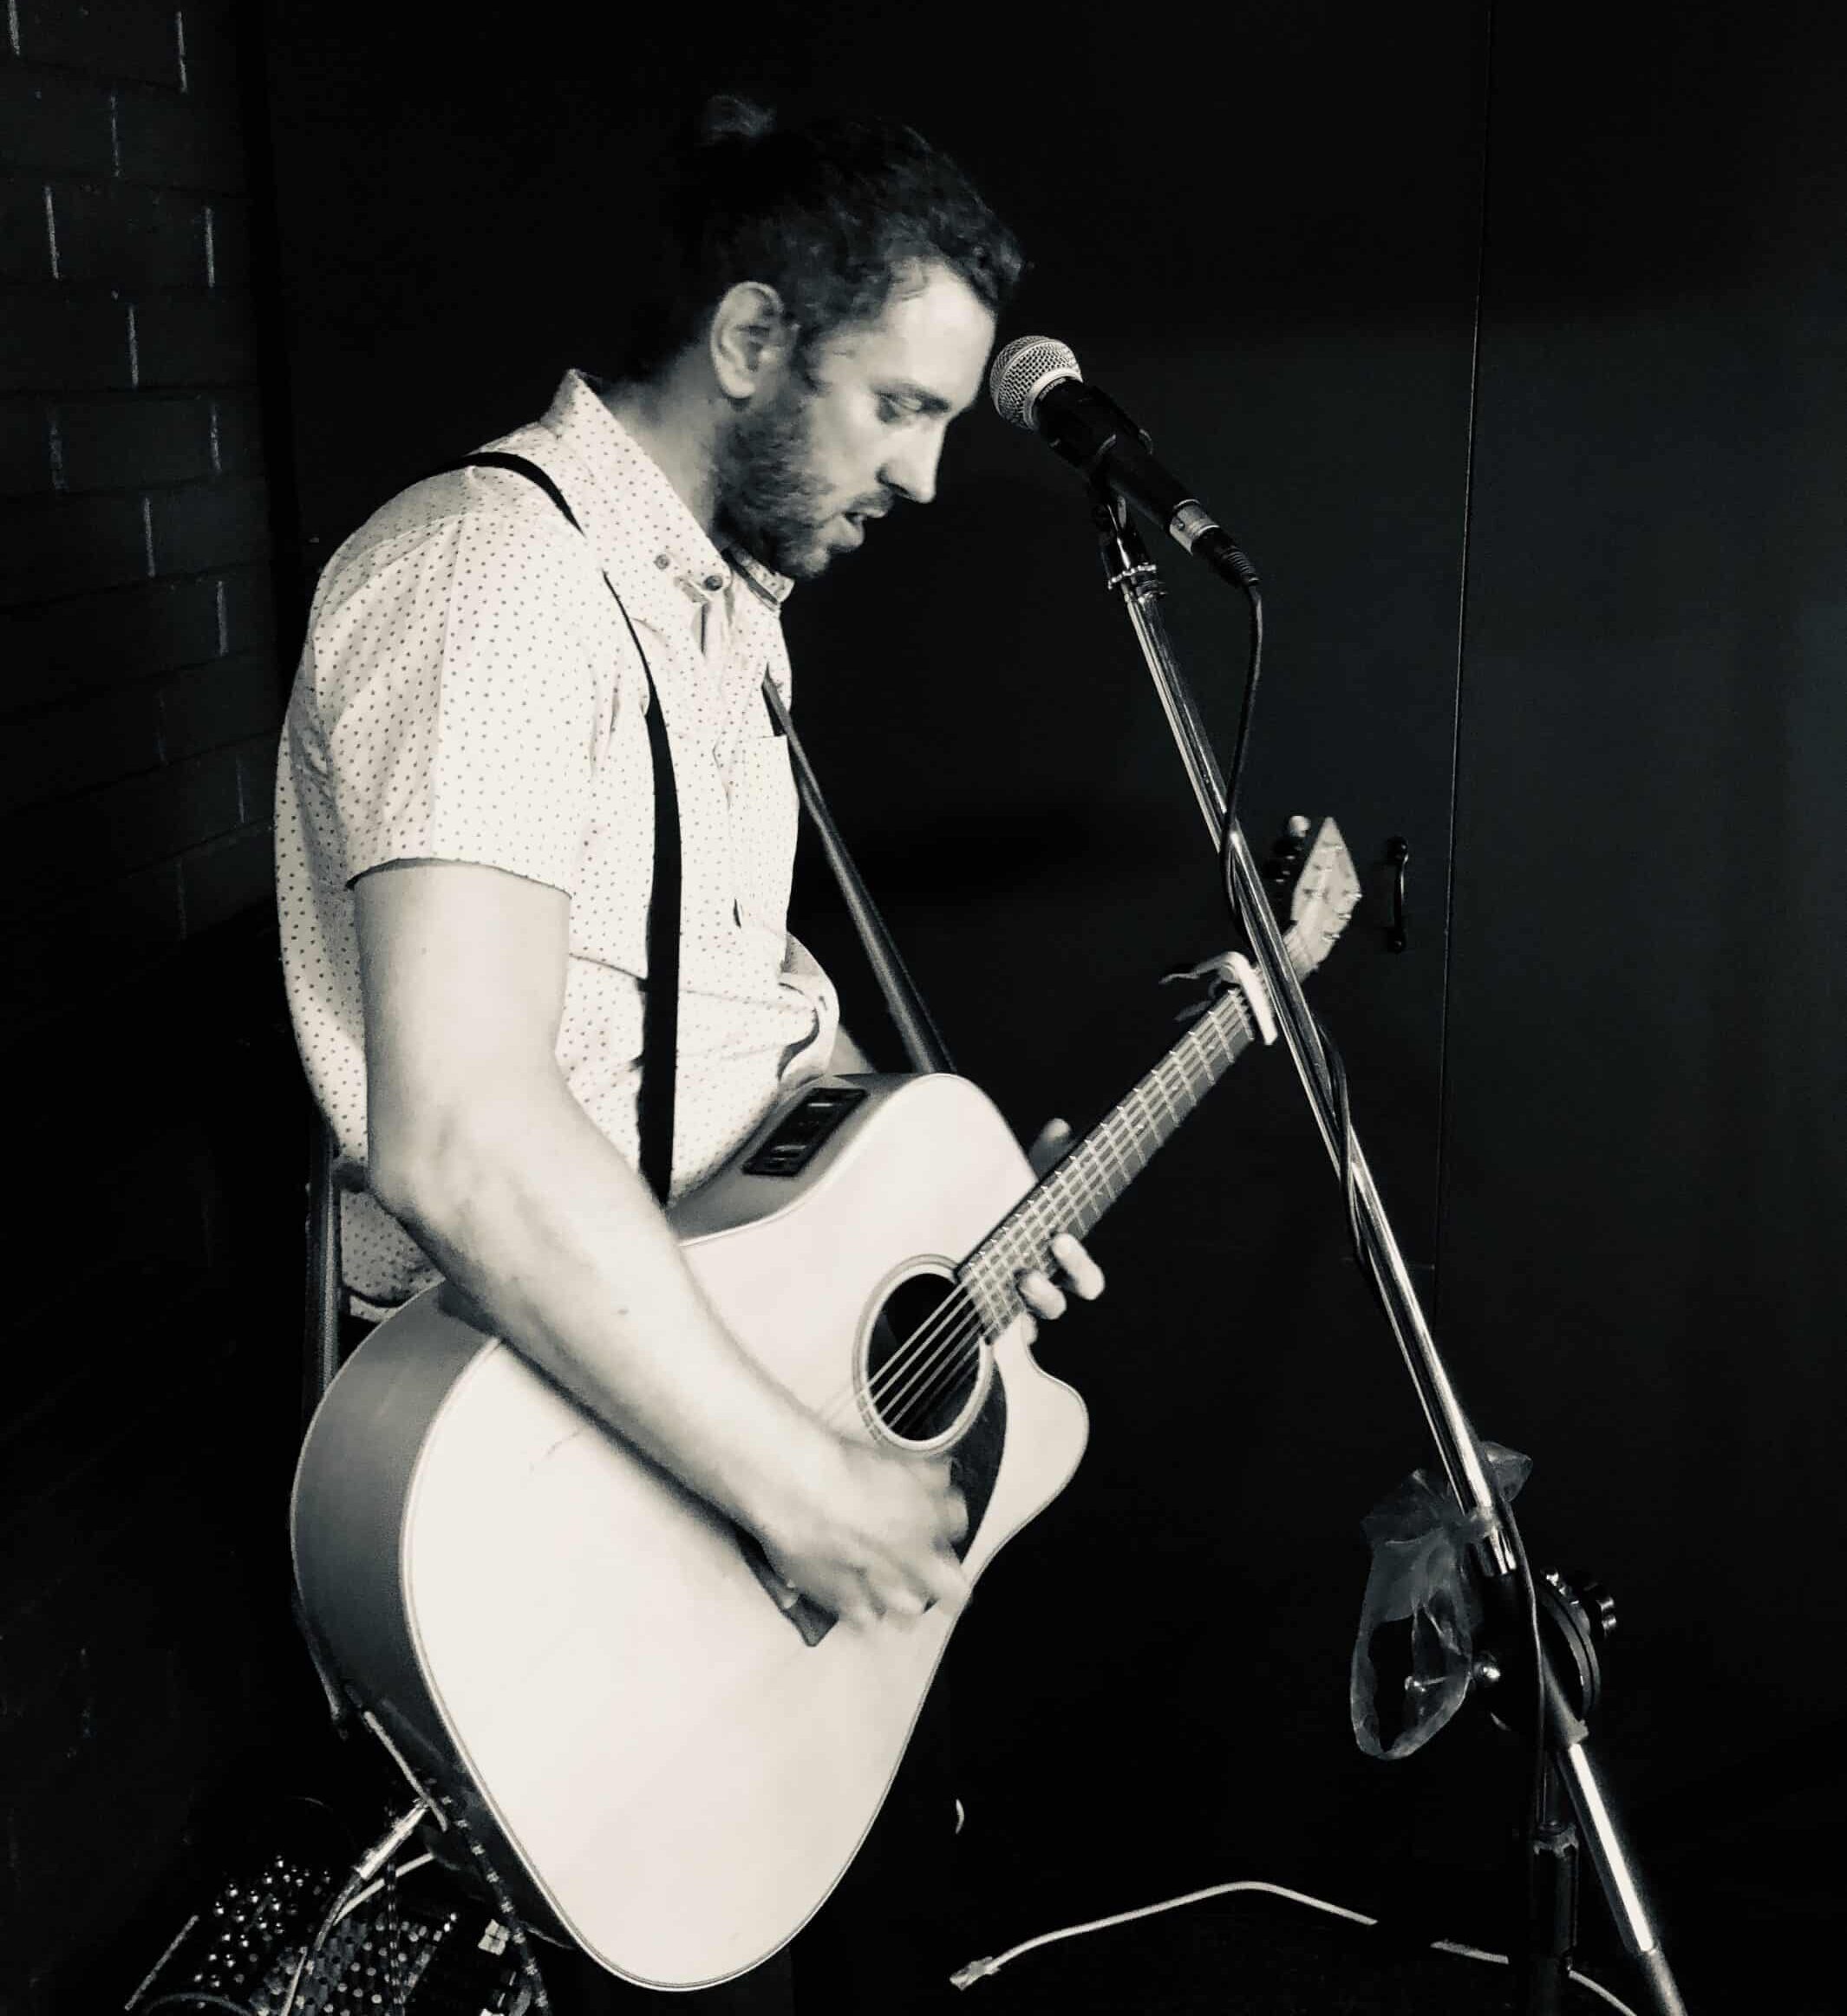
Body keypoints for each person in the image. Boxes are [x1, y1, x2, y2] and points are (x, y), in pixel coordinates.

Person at [275, 95, 1103, 2010]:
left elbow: (729, 1046)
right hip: (569, 1454)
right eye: (895, 406)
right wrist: (798, 1481)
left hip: (733, 1397)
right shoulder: (497, 583)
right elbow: (469, 1131)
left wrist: (960, 1232)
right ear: (748, 344)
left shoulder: (730, 625)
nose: (921, 475)